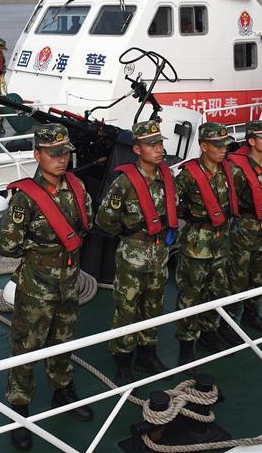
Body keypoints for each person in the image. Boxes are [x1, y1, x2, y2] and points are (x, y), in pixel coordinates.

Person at [0, 124, 94, 451]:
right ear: (37, 155)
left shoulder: (78, 188)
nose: (61, 159)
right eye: (53, 153)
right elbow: (7, 247)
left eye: (65, 152)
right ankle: (19, 409)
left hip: (69, 281)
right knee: (26, 346)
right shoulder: (25, 198)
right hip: (36, 285)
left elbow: (87, 225)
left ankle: (62, 390)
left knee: (63, 339)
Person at [95, 120, 177, 386]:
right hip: (133, 255)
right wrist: (131, 233)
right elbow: (105, 219)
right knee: (126, 309)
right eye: (151, 144)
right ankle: (122, 360)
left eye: (160, 143)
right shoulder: (124, 184)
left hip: (159, 254)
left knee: (153, 305)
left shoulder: (166, 177)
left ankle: (147, 353)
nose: (158, 149)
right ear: (137, 149)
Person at [173, 122, 242, 366]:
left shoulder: (227, 171)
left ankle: (209, 332)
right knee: (190, 293)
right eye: (218, 145)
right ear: (204, 146)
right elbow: (170, 203)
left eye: (225, 145)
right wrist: (190, 216)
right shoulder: (188, 175)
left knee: (217, 290)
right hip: (196, 244)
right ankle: (186, 342)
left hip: (221, 243)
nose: (224, 149)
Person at [227, 120, 262, 334]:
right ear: (251, 141)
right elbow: (231, 201)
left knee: (258, 275)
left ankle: (251, 314)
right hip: (243, 230)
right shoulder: (238, 169)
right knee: (237, 278)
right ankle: (228, 322)